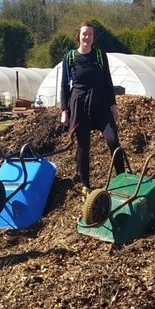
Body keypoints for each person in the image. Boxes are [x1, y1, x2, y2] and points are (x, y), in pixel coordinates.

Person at [60, 22, 124, 198]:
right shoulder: (70, 58)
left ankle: (122, 177)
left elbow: (107, 82)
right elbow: (65, 86)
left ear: (93, 37)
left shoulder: (99, 55)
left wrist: (114, 106)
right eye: (84, 34)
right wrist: (64, 110)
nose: (87, 37)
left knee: (112, 140)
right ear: (78, 36)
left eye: (90, 34)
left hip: (101, 103)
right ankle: (86, 185)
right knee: (83, 146)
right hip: (79, 105)